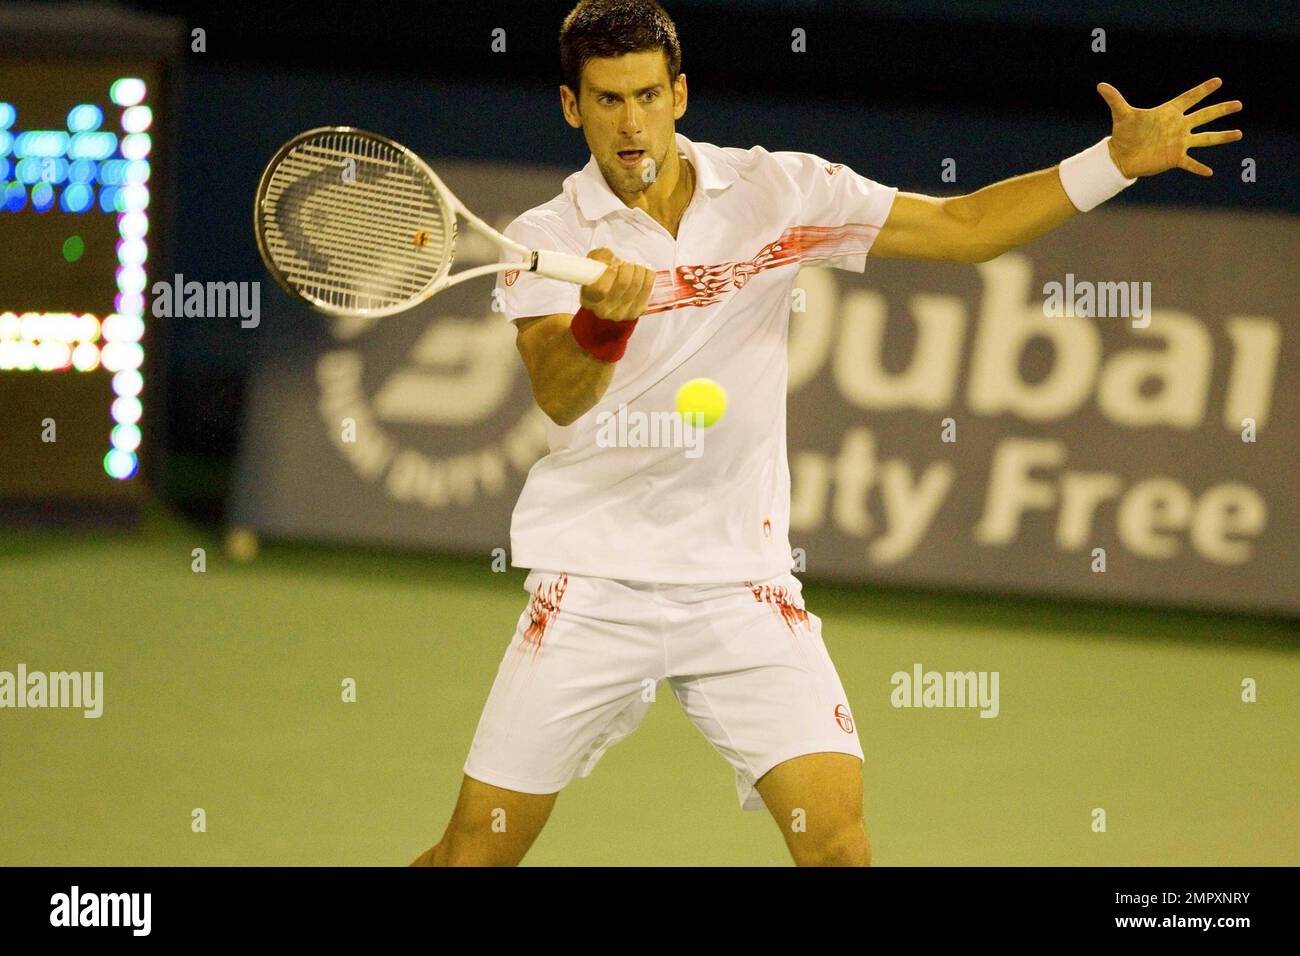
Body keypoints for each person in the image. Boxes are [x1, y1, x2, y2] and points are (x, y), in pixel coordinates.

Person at [412, 0, 1242, 867]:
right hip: (592, 588)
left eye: (648, 96)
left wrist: (1113, 161)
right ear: (571, 107)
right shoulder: (543, 239)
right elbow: (560, 393)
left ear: (681, 95)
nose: (632, 125)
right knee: (474, 856)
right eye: (609, 101)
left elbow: (965, 231)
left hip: (742, 587)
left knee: (839, 848)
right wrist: (603, 325)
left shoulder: (779, 193)